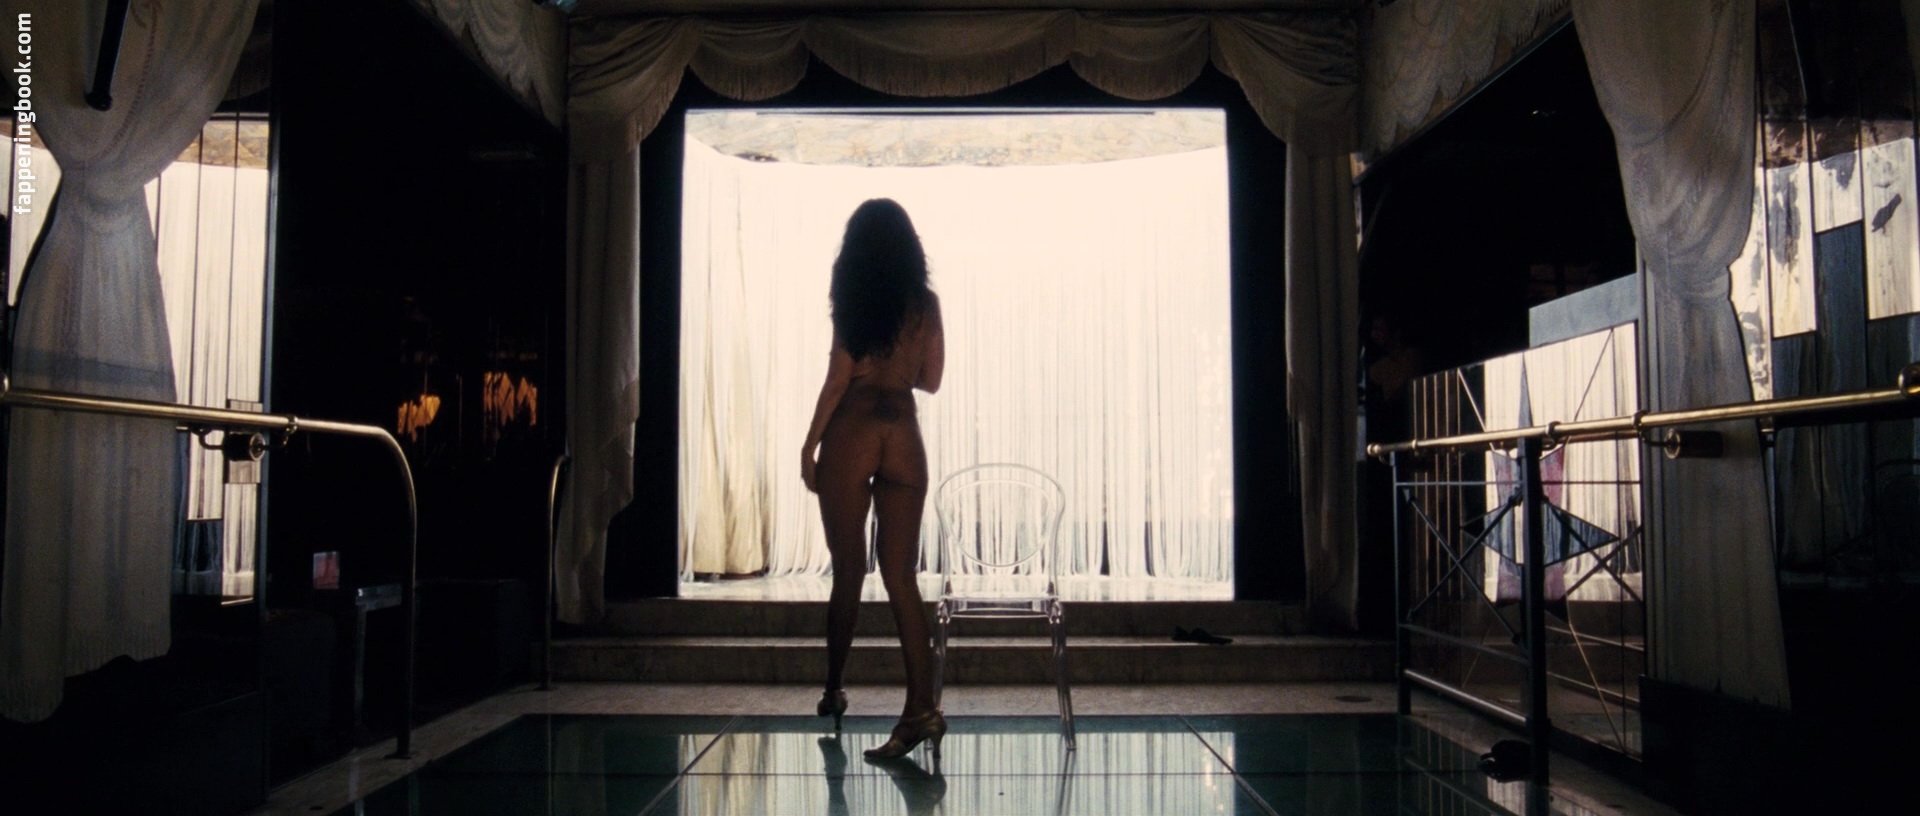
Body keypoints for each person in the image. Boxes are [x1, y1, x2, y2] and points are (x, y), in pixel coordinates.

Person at [801, 198, 947, 760]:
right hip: (904, 434)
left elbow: (838, 377)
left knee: (848, 570)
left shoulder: (854, 301)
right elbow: (931, 380)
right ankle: (922, 710)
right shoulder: (925, 305)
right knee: (901, 576)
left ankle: (834, 688)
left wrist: (810, 444)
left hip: (855, 429)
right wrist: (899, 364)